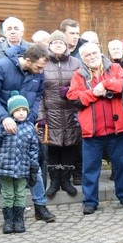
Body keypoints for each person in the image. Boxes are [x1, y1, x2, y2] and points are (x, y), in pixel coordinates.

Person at [0, 43, 56, 223]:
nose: (41, 71)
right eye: (38, 67)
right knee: (4, 171)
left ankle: (40, 206)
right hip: (2, 125)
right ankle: (10, 214)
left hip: (25, 127)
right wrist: (3, 118)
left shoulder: (38, 73)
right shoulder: (1, 67)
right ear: (28, 60)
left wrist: (30, 116)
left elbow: (37, 95)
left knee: (34, 167)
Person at [67, 42, 123, 214]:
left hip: (117, 129)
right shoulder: (78, 75)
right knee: (90, 168)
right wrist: (93, 93)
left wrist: (105, 85)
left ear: (100, 52)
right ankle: (90, 201)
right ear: (82, 58)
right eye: (87, 55)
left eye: (94, 53)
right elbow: (74, 97)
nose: (92, 57)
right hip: (92, 132)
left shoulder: (115, 68)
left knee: (122, 165)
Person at [0, 92, 39, 233]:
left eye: (24, 110)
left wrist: (34, 169)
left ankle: (19, 220)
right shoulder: (3, 126)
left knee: (20, 194)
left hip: (22, 168)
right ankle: (8, 220)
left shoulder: (30, 128)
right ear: (11, 111)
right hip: (5, 167)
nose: (21, 113)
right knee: (7, 194)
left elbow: (34, 150)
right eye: (17, 110)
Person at [41, 30, 81, 199]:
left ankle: (66, 180)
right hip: (51, 112)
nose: (58, 45)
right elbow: (38, 92)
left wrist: (72, 91)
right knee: (53, 146)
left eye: (61, 43)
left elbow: (82, 84)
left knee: (69, 144)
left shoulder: (76, 62)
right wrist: (40, 114)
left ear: (66, 46)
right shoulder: (43, 62)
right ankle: (54, 181)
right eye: (55, 42)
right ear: (49, 45)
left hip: (71, 110)